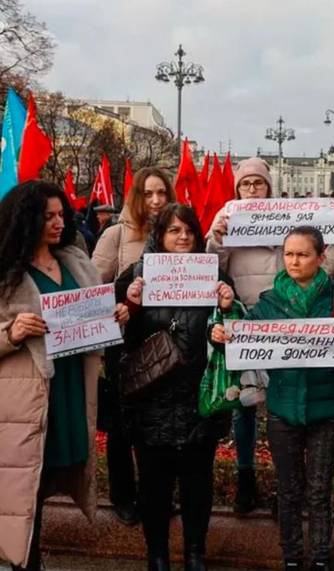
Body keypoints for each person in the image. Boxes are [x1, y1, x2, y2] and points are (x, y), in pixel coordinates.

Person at [211, 226, 334, 570]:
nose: (294, 261)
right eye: (289, 254)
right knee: (290, 489)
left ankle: (321, 557)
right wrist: (226, 327)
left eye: (303, 254)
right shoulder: (270, 302)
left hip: (327, 412)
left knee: (319, 490)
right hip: (282, 411)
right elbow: (245, 340)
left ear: (321, 258)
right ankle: (292, 557)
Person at [206, 157, 334, 514]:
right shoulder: (227, 219)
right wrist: (219, 238)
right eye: (245, 185)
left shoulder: (292, 224)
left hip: (291, 324)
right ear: (237, 190)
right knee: (244, 406)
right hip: (249, 320)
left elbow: (323, 264)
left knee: (285, 413)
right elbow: (211, 264)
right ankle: (246, 477)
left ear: (269, 188)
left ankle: (287, 489)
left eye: (258, 184)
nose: (252, 190)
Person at [0, 181, 129, 571]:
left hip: (70, 390)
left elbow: (90, 312)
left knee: (49, 476)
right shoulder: (5, 270)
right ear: (26, 220)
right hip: (23, 400)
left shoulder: (75, 258)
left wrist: (114, 316)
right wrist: (11, 333)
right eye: (48, 216)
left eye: (61, 215)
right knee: (23, 491)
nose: (59, 223)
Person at [118, 204, 235, 571]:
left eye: (188, 230)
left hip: (197, 398)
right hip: (152, 402)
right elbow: (120, 339)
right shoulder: (138, 276)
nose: (183, 237)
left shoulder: (214, 274)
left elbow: (230, 335)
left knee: (197, 486)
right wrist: (131, 307)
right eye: (173, 230)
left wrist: (227, 312)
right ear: (159, 236)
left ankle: (195, 553)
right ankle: (157, 555)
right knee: (154, 488)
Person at [92, 167, 177, 526]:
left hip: (166, 343)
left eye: (162, 193)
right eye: (148, 194)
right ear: (136, 197)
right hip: (124, 340)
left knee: (159, 424)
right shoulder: (115, 235)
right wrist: (123, 297)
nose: (156, 201)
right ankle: (123, 496)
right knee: (122, 425)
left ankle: (155, 494)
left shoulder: (178, 230)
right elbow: (93, 287)